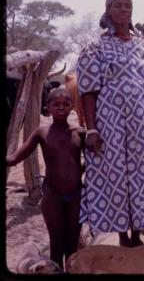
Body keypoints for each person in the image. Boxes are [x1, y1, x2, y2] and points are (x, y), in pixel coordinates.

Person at [77, 0, 144, 247]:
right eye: (118, 5)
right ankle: (123, 235)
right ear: (108, 10)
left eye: (128, 5)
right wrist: (91, 130)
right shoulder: (95, 48)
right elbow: (88, 91)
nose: (124, 9)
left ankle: (138, 233)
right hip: (111, 123)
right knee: (116, 173)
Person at [6, 89, 85, 269]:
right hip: (52, 196)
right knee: (56, 244)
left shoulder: (80, 133)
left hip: (76, 195)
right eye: (56, 104)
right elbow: (14, 158)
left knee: (73, 245)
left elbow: (96, 162)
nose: (61, 108)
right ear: (47, 107)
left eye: (66, 104)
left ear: (72, 107)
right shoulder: (42, 132)